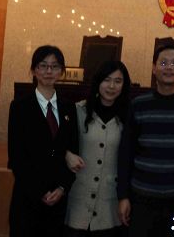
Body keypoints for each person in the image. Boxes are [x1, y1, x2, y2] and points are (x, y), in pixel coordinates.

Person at [117, 45, 174, 237]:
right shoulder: (138, 105)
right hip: (141, 200)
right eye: (164, 63)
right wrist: (123, 196)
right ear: (154, 68)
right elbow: (126, 153)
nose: (169, 67)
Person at [7, 45, 78, 237]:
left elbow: (74, 151)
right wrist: (39, 191)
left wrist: (62, 188)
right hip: (27, 198)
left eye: (54, 66)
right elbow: (16, 157)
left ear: (61, 72)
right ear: (33, 70)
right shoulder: (19, 107)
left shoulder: (69, 108)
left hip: (58, 201)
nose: (49, 71)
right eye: (43, 65)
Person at [64, 61, 132, 237]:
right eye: (106, 80)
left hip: (110, 205)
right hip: (78, 201)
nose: (111, 86)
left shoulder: (129, 117)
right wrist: (66, 154)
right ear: (98, 82)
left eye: (118, 81)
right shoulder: (78, 110)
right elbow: (57, 145)